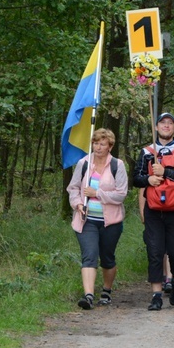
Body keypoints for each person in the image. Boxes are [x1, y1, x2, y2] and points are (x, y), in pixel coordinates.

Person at [133, 113, 174, 311]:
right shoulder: (146, 151)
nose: (166, 126)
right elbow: (136, 178)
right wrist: (148, 180)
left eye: (170, 123)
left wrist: (166, 172)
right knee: (154, 251)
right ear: (156, 127)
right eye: (163, 123)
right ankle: (156, 295)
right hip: (154, 209)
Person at [67, 129, 129, 310]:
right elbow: (73, 188)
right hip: (86, 220)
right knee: (89, 256)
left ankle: (106, 291)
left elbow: (121, 195)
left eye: (102, 144)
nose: (98, 147)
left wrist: (97, 194)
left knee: (107, 258)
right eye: (95, 143)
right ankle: (88, 296)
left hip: (111, 222)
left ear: (110, 146)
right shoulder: (84, 163)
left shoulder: (118, 165)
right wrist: (78, 204)